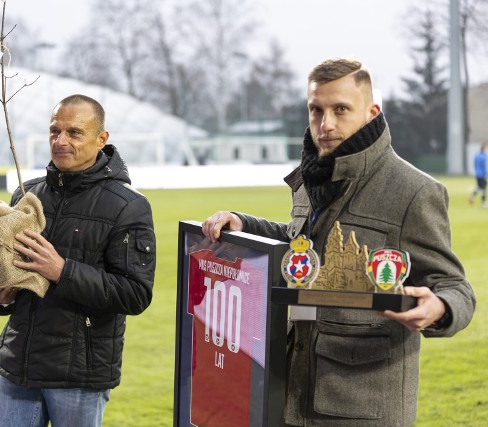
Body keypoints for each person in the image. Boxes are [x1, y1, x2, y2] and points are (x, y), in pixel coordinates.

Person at [202, 59, 475, 426]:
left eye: (341, 110)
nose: (325, 124)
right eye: (316, 110)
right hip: (289, 393)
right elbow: (302, 246)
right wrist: (244, 224)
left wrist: (439, 307)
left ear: (371, 112)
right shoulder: (312, 176)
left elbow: (455, 285)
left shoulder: (414, 191)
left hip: (360, 406)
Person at [0, 94, 156, 427]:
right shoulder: (26, 195)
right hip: (19, 366)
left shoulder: (128, 205)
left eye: (74, 132)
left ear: (101, 139)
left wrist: (63, 271)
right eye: (54, 131)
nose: (60, 141)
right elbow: (16, 280)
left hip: (79, 375)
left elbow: (136, 294)